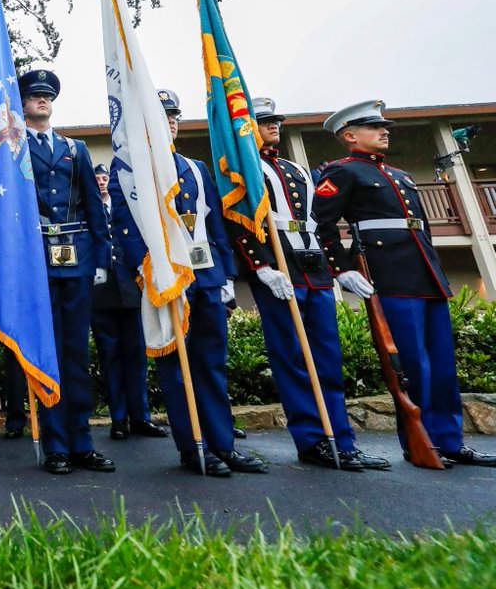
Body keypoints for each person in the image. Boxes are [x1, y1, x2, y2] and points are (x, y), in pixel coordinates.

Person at [312, 100, 496, 467]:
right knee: (413, 367)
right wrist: (342, 270)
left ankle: (449, 440)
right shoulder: (342, 172)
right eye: (374, 127)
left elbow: (421, 229)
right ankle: (421, 442)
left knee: (443, 366)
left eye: (385, 127)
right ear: (350, 136)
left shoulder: (400, 175)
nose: (384, 131)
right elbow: (322, 224)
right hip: (390, 276)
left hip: (425, 274)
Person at [110, 90, 265, 478]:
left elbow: (215, 225)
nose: (172, 121)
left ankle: (223, 445)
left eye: (175, 115)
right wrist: (146, 273)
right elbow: (125, 228)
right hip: (168, 279)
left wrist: (227, 274)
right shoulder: (131, 171)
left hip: (206, 275)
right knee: (177, 367)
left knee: (212, 364)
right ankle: (193, 446)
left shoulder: (195, 167)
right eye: (163, 116)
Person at [229, 98, 388, 471]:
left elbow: (321, 221)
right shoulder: (244, 170)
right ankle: (313, 440)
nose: (274, 126)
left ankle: (342, 440)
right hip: (280, 269)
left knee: (327, 360)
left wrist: (340, 268)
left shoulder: (296, 169)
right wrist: (261, 266)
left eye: (276, 121)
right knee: (293, 359)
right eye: (265, 121)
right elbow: (236, 220)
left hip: (313, 268)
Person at [19, 69, 115, 475]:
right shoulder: (12, 146)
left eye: (47, 95)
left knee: (77, 354)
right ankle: (56, 445)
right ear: (22, 102)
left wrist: (101, 259)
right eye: (35, 95)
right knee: (49, 354)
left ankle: (82, 442)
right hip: (36, 259)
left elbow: (93, 205)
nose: (42, 100)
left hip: (75, 258)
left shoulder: (74, 149)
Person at [89, 162, 169, 441]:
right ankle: (119, 418)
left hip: (132, 291)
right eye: (96, 178)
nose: (100, 182)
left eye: (104, 178)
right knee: (110, 358)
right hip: (100, 294)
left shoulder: (126, 209)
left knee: (136, 356)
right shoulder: (88, 209)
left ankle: (140, 417)